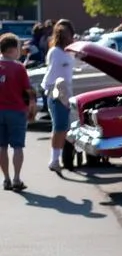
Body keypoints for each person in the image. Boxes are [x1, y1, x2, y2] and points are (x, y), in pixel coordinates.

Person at [0, 32, 35, 191]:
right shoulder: (18, 67)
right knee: (17, 146)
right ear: (13, 49)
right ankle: (16, 179)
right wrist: (32, 108)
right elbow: (28, 91)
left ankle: (5, 178)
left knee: (2, 147)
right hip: (16, 110)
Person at [42, 19, 75, 174]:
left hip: (66, 93)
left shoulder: (68, 52)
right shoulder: (56, 52)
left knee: (65, 127)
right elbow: (53, 76)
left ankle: (60, 158)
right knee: (60, 126)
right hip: (56, 93)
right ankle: (54, 159)